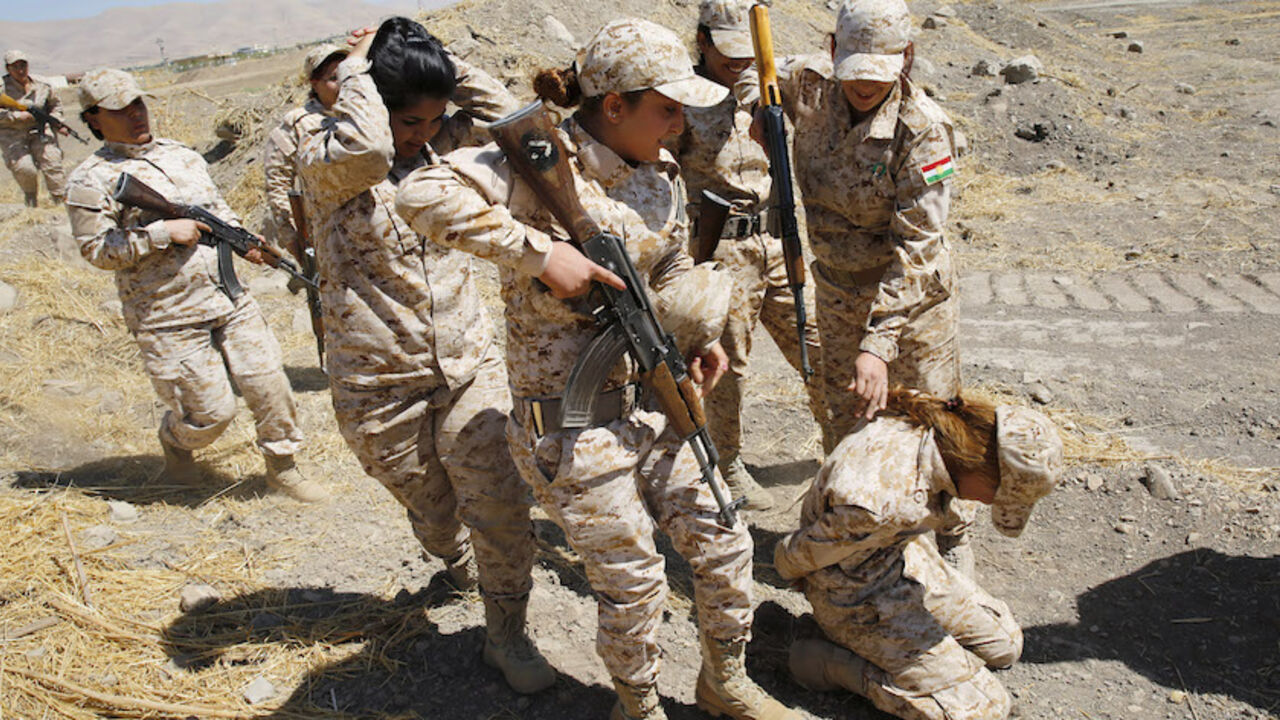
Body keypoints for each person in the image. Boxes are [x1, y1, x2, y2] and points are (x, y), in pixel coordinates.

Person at [396, 18, 802, 720]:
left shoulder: (661, 172)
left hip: (652, 400)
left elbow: (668, 257)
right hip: (571, 428)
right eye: (666, 108)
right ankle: (637, 704)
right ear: (614, 106)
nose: (679, 125)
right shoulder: (533, 161)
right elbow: (419, 198)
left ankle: (724, 680)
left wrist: (689, 329)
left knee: (724, 537)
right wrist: (537, 253)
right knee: (633, 579)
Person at [293, 19, 552, 695]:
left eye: (434, 118)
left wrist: (439, 64)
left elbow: (520, 120)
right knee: (438, 512)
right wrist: (356, 68)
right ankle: (446, 545)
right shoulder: (326, 156)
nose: (421, 133)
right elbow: (372, 147)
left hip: (468, 365)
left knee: (500, 503)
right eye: (409, 119)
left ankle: (507, 634)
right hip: (380, 382)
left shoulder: (449, 147)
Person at [741, 0, 973, 572]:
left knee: (931, 420)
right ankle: (853, 533)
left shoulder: (925, 131)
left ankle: (951, 538)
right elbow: (755, 72)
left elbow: (917, 250)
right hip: (836, 294)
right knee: (844, 419)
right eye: (855, 67)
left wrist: (880, 343)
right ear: (832, 49)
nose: (865, 83)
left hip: (913, 307)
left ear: (907, 57)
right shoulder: (811, 84)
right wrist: (757, 109)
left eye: (881, 69)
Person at [64, 67, 324, 503]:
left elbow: (216, 209)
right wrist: (162, 234)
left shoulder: (182, 156)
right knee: (211, 415)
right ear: (92, 119)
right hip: (166, 313)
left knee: (270, 385)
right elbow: (97, 250)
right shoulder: (89, 179)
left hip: (229, 297)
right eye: (119, 110)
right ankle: (176, 440)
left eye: (138, 105)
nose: (135, 116)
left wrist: (243, 241)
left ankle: (284, 469)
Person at [774, 390, 1063, 720]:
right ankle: (833, 665)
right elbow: (796, 555)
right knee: (986, 710)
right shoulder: (886, 504)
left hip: (901, 560)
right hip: (854, 597)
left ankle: (919, 660)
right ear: (980, 468)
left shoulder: (941, 431)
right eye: (996, 496)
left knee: (1005, 645)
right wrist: (806, 582)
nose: (988, 504)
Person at [672, 0, 825, 511]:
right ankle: (726, 463)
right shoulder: (683, 100)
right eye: (726, 53)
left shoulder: (766, 89)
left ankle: (841, 442)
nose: (736, 64)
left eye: (746, 54)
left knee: (818, 344)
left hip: (777, 241)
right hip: (721, 247)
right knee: (728, 365)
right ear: (702, 42)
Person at [262, 43, 348, 262]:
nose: (342, 84)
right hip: (329, 237)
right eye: (333, 78)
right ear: (315, 83)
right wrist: (293, 240)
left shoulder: (365, 113)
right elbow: (279, 185)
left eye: (347, 75)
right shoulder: (297, 125)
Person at [0, 50, 68, 207]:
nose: (20, 70)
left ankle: (61, 203)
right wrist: (16, 116)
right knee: (25, 168)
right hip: (11, 133)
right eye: (15, 67)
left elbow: (55, 106)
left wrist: (58, 122)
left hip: (40, 130)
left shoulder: (43, 85)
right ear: (8, 69)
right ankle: (31, 202)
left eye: (23, 65)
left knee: (52, 162)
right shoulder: (2, 89)